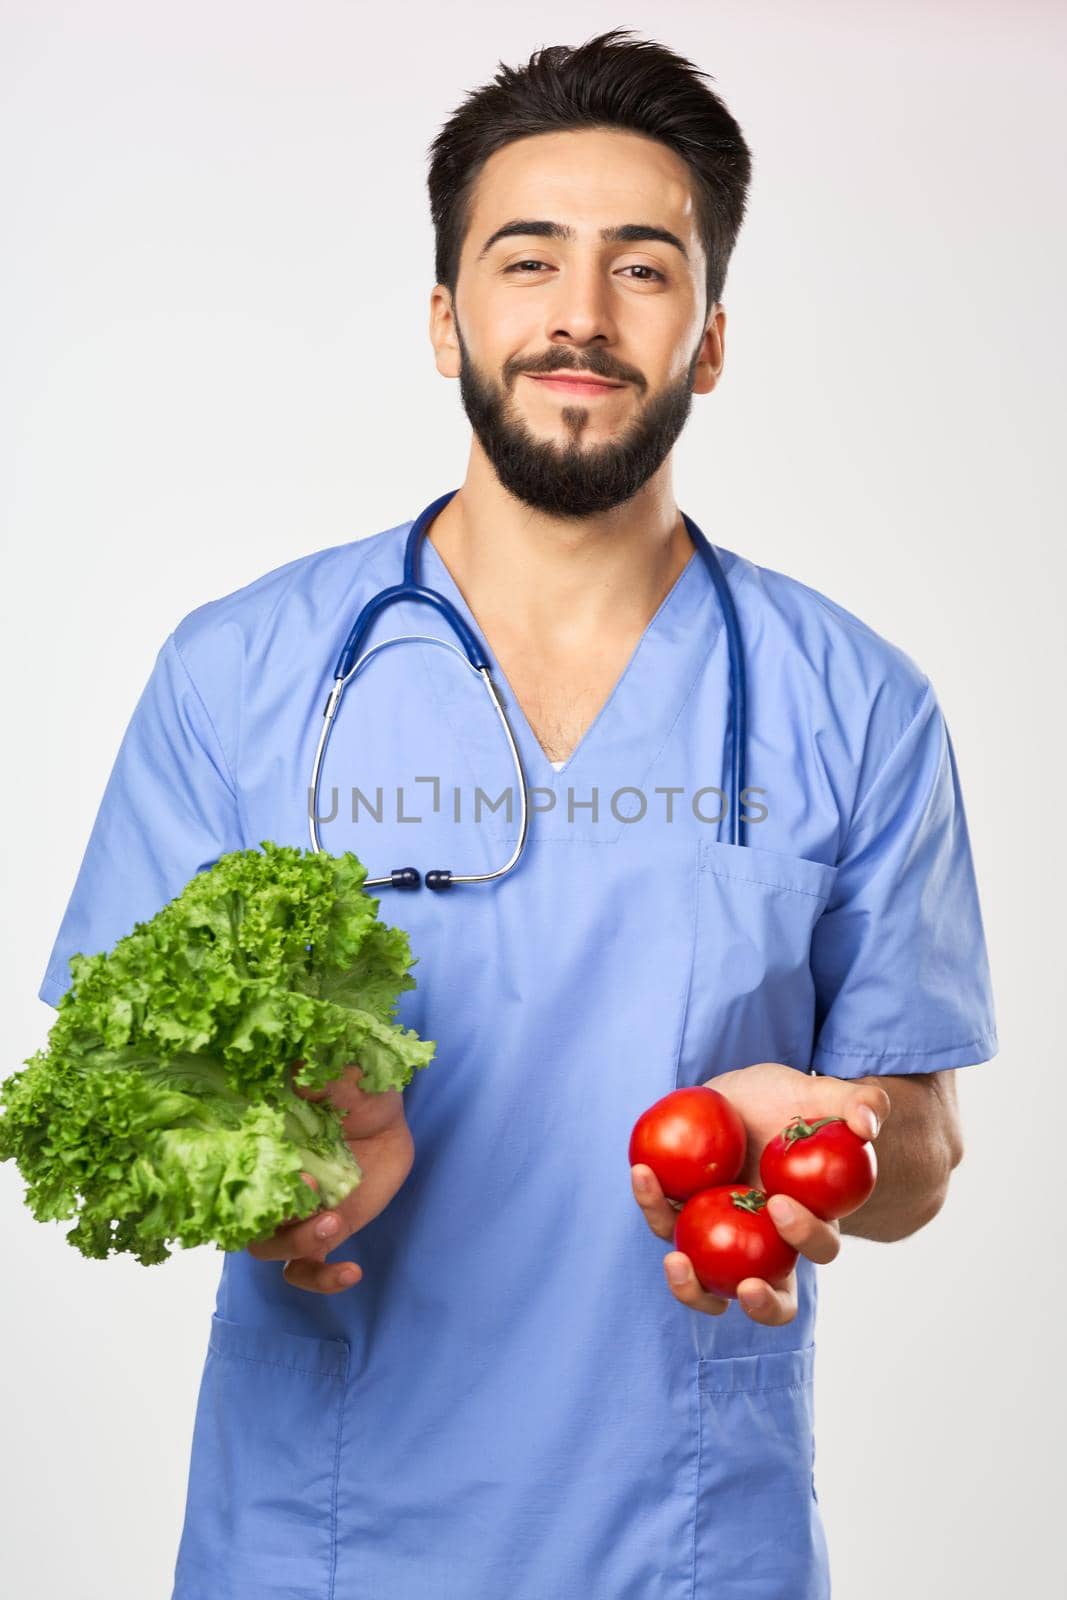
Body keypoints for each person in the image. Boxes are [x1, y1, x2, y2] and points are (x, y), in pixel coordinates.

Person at [38, 27, 997, 1600]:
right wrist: (274, 1161)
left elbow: (929, 1157)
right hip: (319, 1551)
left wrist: (829, 1142)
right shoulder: (241, 674)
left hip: (692, 1551)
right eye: (527, 258)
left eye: (643, 268)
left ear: (710, 335)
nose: (578, 314)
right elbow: (106, 1093)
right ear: (445, 319)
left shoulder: (858, 701)